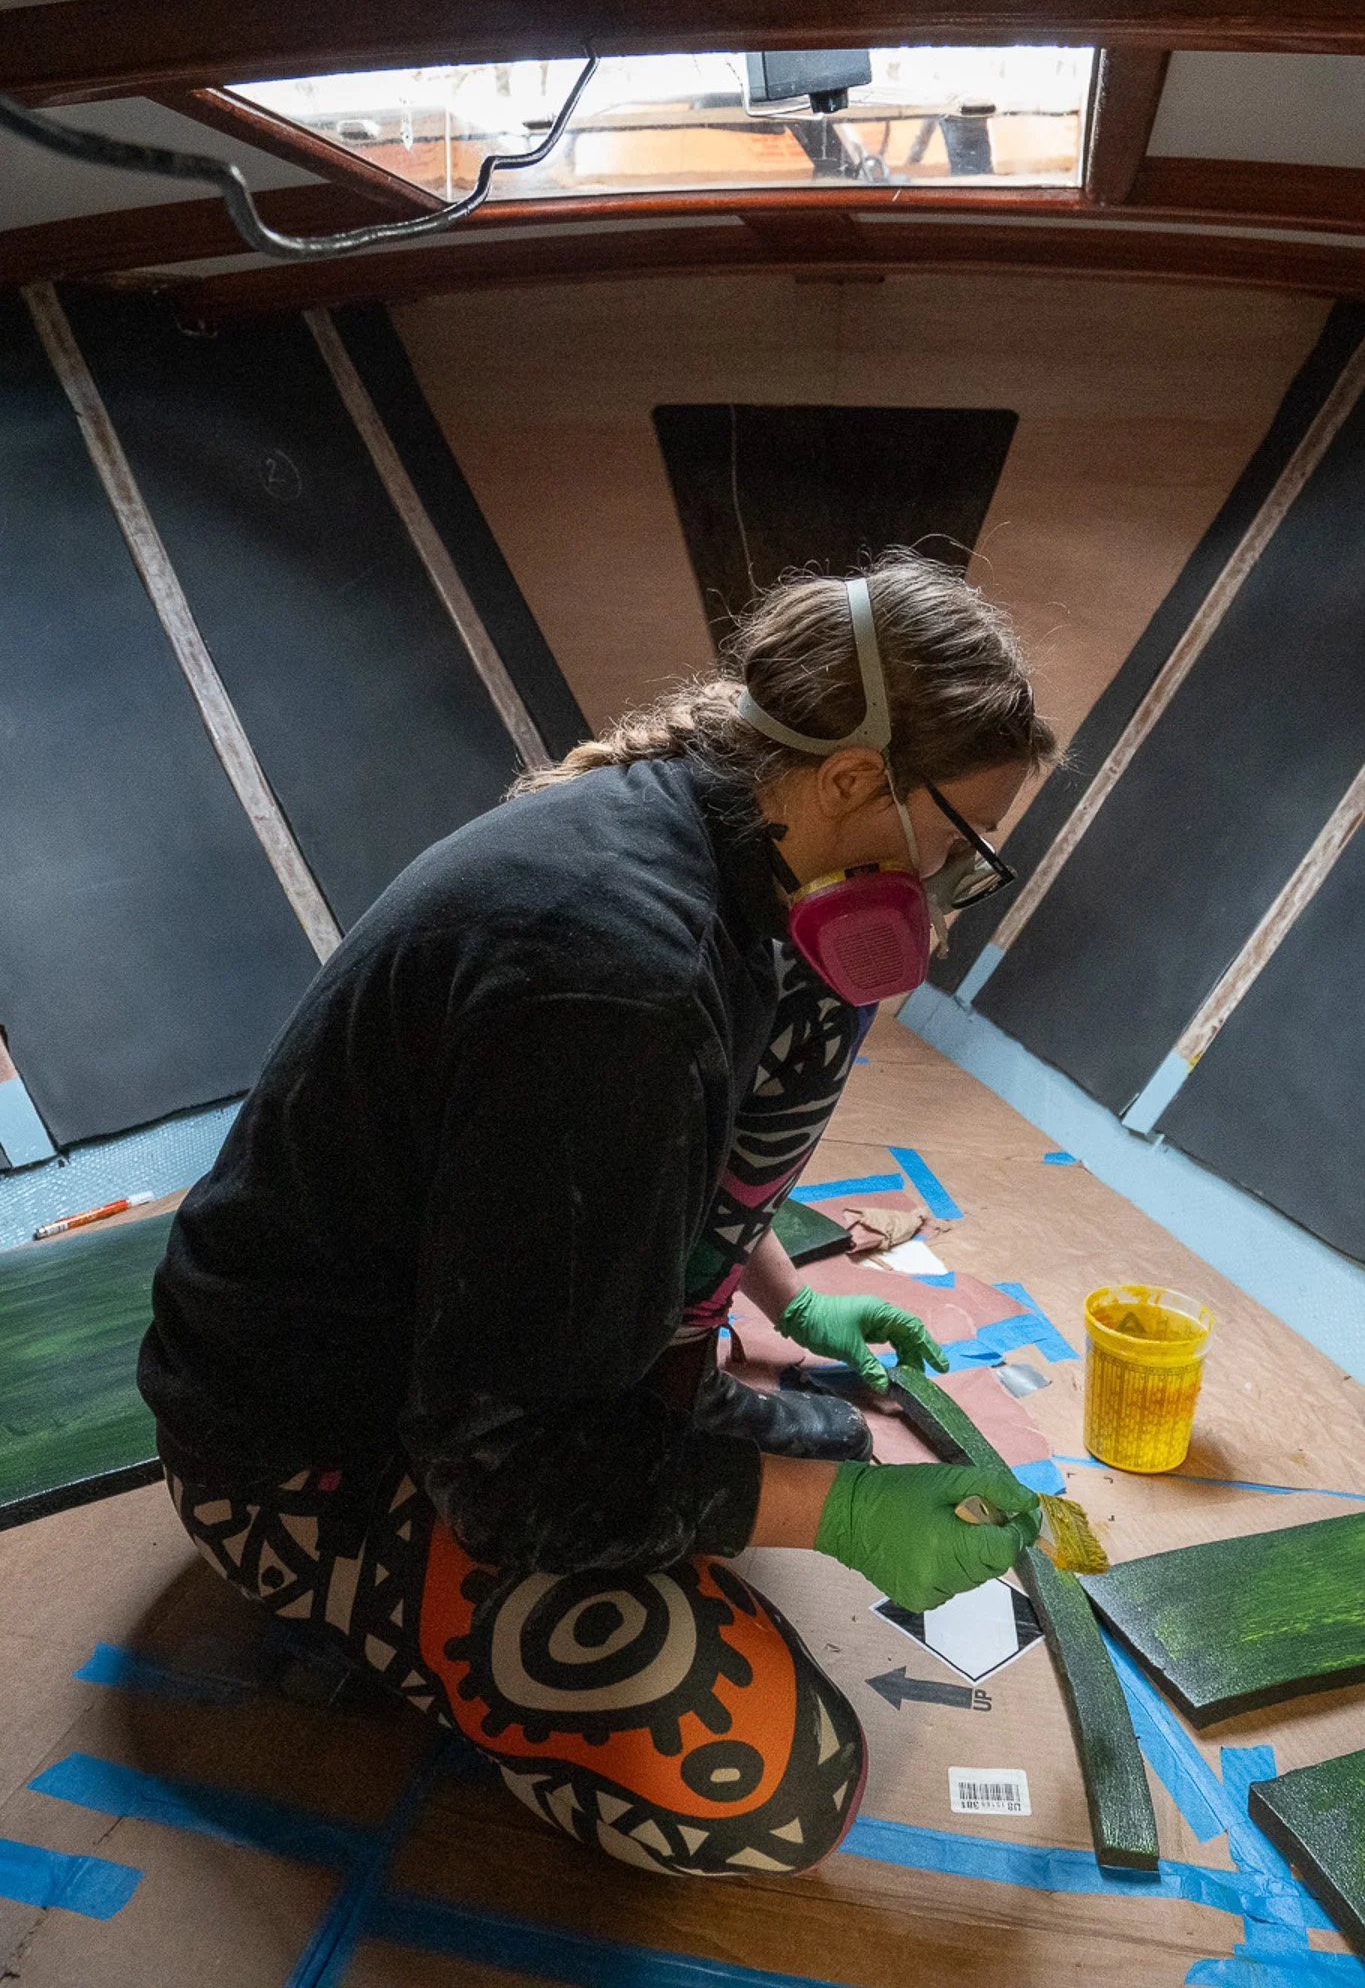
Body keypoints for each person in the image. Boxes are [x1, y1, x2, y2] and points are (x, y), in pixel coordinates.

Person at [140, 549, 1059, 1879]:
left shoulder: (716, 843)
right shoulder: (621, 988)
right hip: (301, 1440)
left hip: (464, 1347)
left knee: (828, 1444)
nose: (947, 895)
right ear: (859, 780)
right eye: (960, 854)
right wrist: (838, 1523)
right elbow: (506, 1474)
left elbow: (671, 1163)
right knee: (775, 1791)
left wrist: (793, 1301)